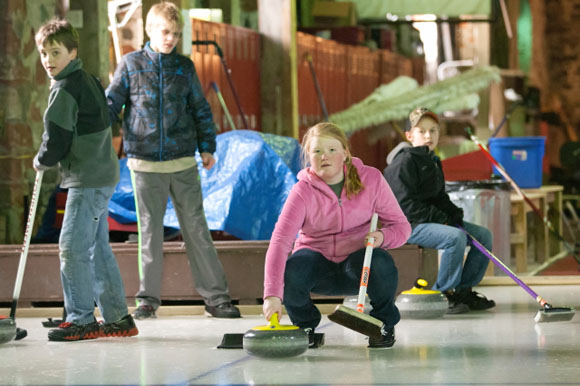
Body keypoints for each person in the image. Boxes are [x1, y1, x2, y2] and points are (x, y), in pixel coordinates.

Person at [106, 2, 240, 319]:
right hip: (144, 165)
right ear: (150, 30)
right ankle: (147, 300)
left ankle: (217, 298)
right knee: (150, 234)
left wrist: (208, 147)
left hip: (183, 162)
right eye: (165, 32)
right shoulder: (129, 64)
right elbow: (110, 106)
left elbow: (200, 108)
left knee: (196, 229)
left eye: (176, 34)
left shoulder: (185, 66)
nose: (170, 39)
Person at [262, 122, 411, 349]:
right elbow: (280, 241)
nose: (325, 156)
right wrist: (271, 294)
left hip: (359, 266)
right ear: (308, 157)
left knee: (382, 263)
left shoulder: (371, 179)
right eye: (317, 151)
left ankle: (382, 325)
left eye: (332, 150)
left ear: (345, 153)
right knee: (291, 271)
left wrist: (382, 236)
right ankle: (306, 326)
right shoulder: (302, 191)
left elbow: (401, 227)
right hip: (316, 263)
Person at [34, 19, 138, 341]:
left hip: (88, 180)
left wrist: (42, 161)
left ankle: (80, 318)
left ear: (72, 52)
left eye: (56, 52)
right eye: (43, 53)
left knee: (71, 247)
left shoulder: (64, 89)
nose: (49, 60)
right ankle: (118, 317)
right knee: (96, 247)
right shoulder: (87, 79)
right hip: (103, 175)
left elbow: (57, 139)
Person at [384, 107, 496, 314]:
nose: (429, 136)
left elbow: (439, 197)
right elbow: (406, 206)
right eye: (422, 131)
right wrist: (441, 219)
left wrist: (453, 214)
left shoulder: (432, 160)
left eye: (433, 130)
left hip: (427, 220)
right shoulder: (404, 163)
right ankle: (444, 294)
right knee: (454, 238)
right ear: (409, 135)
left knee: (483, 236)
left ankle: (463, 290)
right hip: (408, 224)